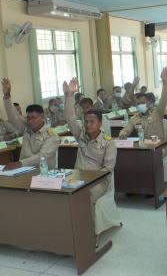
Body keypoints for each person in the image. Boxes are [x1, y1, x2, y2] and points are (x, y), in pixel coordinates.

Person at [63, 77, 121, 237]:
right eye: (85, 121)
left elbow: (108, 169)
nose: (88, 124)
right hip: (77, 177)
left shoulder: (109, 143)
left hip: (98, 181)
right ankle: (69, 228)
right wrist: (69, 96)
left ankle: (88, 232)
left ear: (100, 124)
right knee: (61, 192)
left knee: (85, 194)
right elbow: (69, 117)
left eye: (92, 121)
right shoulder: (80, 135)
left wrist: (90, 181)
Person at [119, 68, 167, 182]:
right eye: (138, 103)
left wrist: (164, 83)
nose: (140, 105)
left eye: (142, 103)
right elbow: (126, 129)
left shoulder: (157, 112)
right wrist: (123, 134)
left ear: (149, 102)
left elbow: (163, 99)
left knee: (146, 158)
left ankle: (150, 184)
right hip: (142, 148)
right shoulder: (135, 117)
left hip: (158, 147)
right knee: (128, 157)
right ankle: (137, 184)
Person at [1, 78, 60, 170]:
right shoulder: (26, 127)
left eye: (34, 118)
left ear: (42, 117)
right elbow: (13, 116)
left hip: (43, 172)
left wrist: (20, 163)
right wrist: (7, 96)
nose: (30, 121)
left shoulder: (52, 135)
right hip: (23, 170)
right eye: (28, 118)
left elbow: (42, 156)